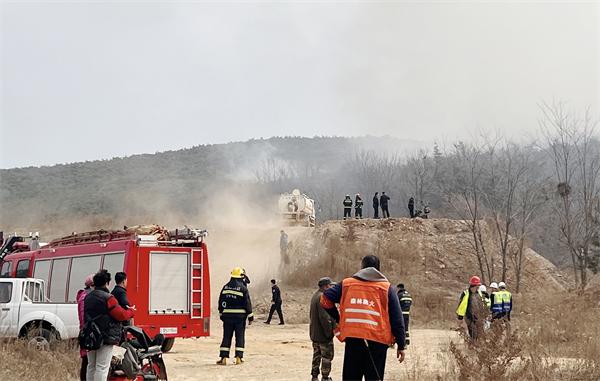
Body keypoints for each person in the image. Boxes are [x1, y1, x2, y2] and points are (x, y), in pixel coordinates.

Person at [321, 255, 406, 380]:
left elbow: (325, 299)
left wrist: (339, 319)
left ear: (361, 267)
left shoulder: (347, 284)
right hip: (378, 341)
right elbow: (397, 319)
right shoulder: (386, 288)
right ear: (378, 269)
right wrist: (401, 345)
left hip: (353, 339)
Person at [85, 270, 135, 381]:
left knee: (91, 366)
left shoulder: (88, 297)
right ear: (107, 283)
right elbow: (121, 315)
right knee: (102, 367)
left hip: (90, 336)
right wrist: (131, 312)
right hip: (104, 336)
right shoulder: (108, 298)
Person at [217, 267, 254, 365]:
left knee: (226, 337)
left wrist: (221, 313)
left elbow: (221, 301)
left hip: (227, 317)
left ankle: (223, 358)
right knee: (240, 336)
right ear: (241, 276)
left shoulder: (225, 287)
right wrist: (250, 316)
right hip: (240, 318)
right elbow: (247, 303)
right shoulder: (243, 288)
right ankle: (238, 357)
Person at [310, 277, 336, 381]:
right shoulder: (323, 297)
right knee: (326, 357)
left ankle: (314, 376)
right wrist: (329, 333)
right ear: (325, 286)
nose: (332, 287)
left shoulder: (315, 295)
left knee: (316, 356)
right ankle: (325, 377)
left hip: (315, 334)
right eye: (330, 285)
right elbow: (325, 318)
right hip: (323, 335)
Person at [456, 276, 488, 341]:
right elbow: (462, 307)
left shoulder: (479, 293)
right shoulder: (466, 293)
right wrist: (460, 318)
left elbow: (482, 304)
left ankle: (479, 348)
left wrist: (484, 314)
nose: (478, 287)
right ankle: (473, 348)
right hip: (469, 318)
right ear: (474, 286)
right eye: (477, 286)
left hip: (479, 318)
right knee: (473, 335)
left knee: (481, 335)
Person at [77, 274, 94, 381]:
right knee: (87, 361)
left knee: (86, 361)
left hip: (84, 331)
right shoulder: (86, 297)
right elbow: (85, 317)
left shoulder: (83, 296)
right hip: (87, 332)